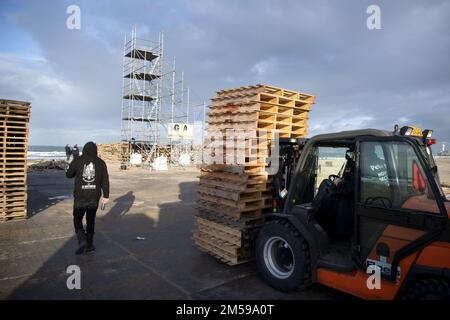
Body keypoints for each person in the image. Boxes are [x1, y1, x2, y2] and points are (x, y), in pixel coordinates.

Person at [66, 141, 109, 254]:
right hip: (94, 197)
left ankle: (82, 241)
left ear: (84, 149)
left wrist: (70, 163)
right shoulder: (101, 163)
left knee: (77, 219)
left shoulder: (78, 160)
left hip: (80, 196)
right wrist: (106, 196)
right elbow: (105, 181)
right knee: (91, 220)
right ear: (95, 150)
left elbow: (68, 175)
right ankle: (90, 245)